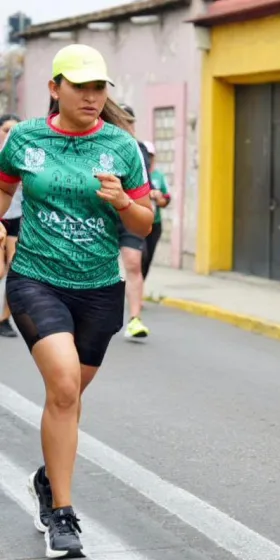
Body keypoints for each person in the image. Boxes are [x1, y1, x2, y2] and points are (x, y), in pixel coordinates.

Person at [0, 44, 153, 558]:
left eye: (99, 88)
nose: (91, 97)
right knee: (64, 387)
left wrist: (123, 202)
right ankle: (62, 518)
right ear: (54, 88)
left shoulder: (120, 146)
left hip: (99, 290)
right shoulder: (25, 138)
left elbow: (145, 222)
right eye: (81, 86)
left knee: (70, 396)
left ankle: (48, 477)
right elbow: (2, 191)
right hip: (35, 279)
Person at [116, 103, 153, 340]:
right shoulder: (99, 142)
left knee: (132, 263)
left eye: (129, 121)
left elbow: (144, 183)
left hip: (130, 211)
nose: (125, 125)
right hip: (101, 213)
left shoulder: (138, 149)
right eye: (121, 120)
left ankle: (135, 319)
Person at [0, 113, 22, 338]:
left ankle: (4, 319)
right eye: (7, 130)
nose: (11, 134)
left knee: (14, 268)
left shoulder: (25, 156)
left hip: (17, 218)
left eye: (16, 130)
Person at [142, 141, 171, 279]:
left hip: (155, 223)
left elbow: (166, 199)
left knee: (147, 259)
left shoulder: (159, 176)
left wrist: (160, 199)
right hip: (140, 223)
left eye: (151, 155)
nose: (148, 158)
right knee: (140, 256)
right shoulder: (138, 173)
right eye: (146, 155)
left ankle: (140, 284)